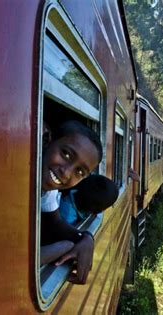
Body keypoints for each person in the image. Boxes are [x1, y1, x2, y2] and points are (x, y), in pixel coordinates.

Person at [40, 120, 103, 284]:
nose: (66, 173)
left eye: (79, 171)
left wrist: (85, 237)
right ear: (48, 140)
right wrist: (64, 247)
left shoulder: (48, 190)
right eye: (66, 154)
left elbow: (55, 221)